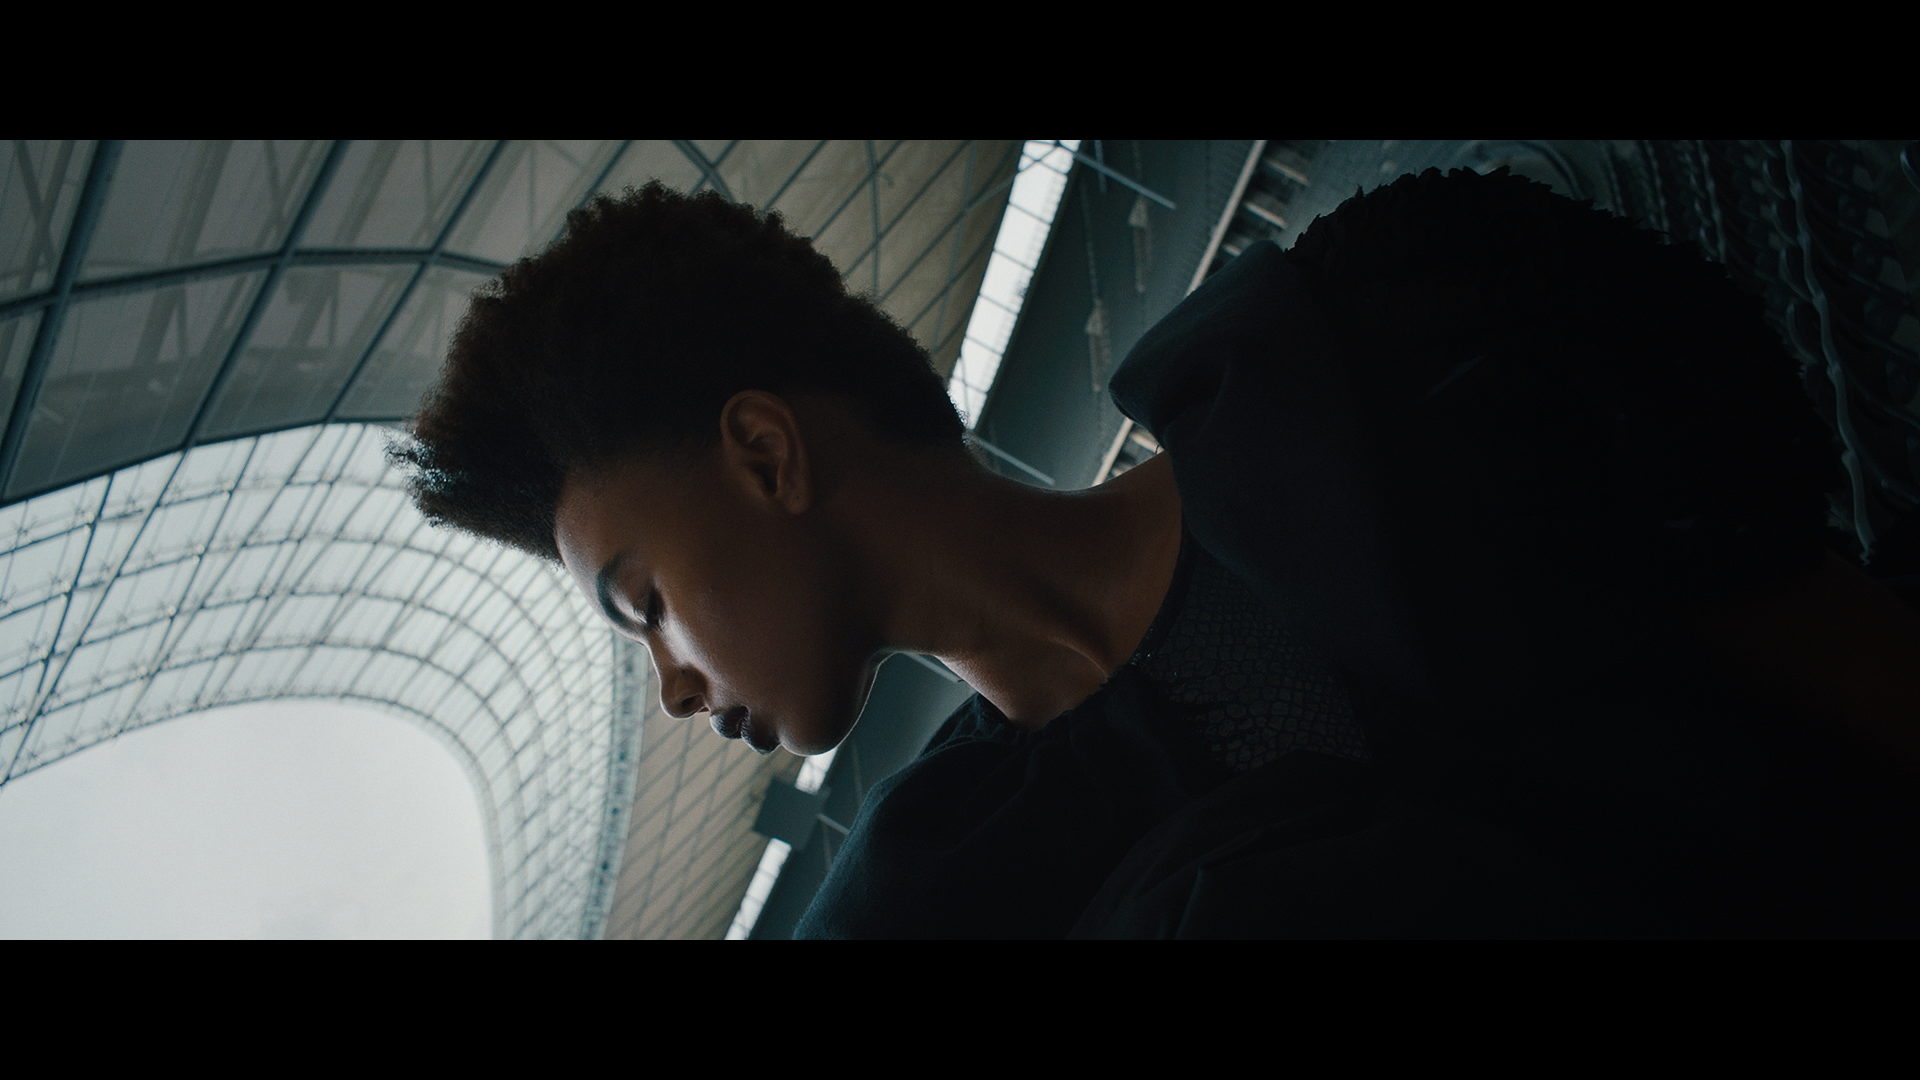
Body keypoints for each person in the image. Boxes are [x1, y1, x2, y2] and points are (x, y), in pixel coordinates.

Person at [395, 171, 1920, 938]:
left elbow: (1848, 668)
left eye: (645, 606)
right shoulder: (944, 897)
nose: (672, 686)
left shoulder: (1380, 370)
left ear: (765, 454)